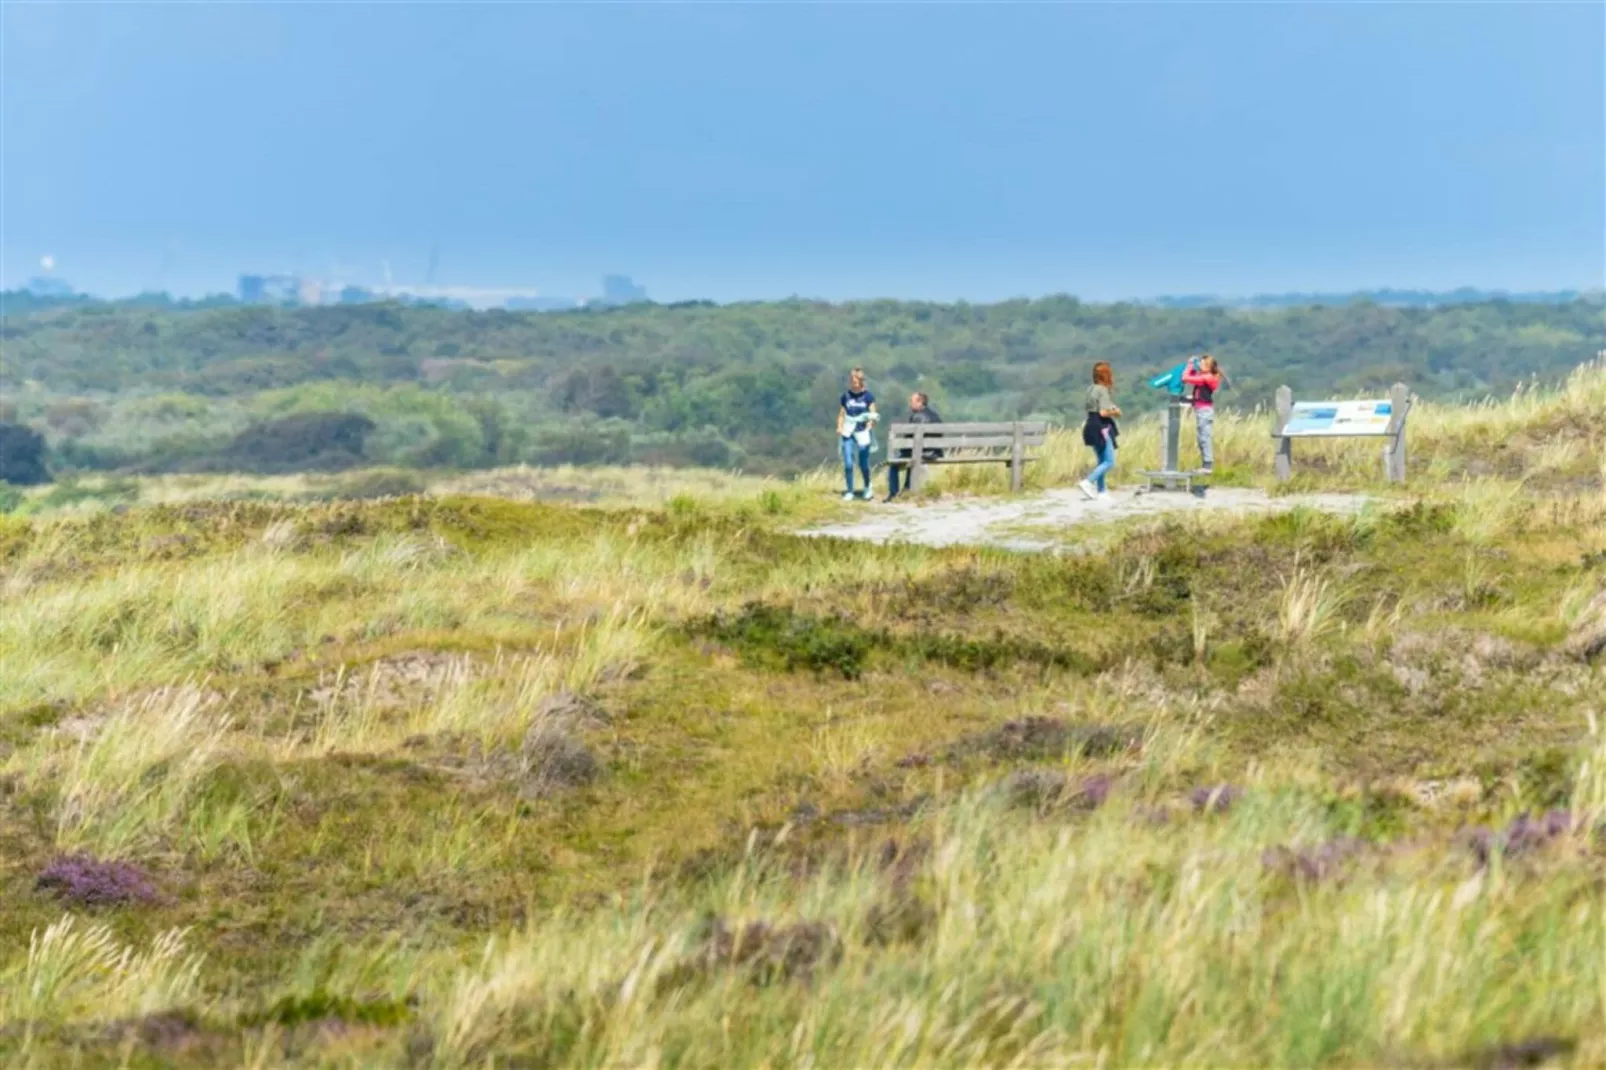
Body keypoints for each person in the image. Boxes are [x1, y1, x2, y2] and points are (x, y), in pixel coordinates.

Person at [885, 391, 943, 501]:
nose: (910, 404)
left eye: (912, 401)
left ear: (920, 402)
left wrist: (902, 452)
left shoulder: (917, 417)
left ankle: (893, 494)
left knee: (894, 465)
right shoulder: (935, 416)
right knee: (911, 459)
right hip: (934, 453)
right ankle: (906, 489)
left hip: (921, 453)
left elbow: (909, 439)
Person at [1079, 361, 1121, 501]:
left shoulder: (1091, 389)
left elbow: (1095, 407)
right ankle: (1088, 481)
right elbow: (1103, 412)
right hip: (1101, 427)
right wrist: (1115, 412)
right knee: (1109, 461)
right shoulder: (1102, 390)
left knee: (1101, 460)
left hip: (1090, 425)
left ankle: (1102, 492)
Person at [837, 367, 878, 501]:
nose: (853, 384)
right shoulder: (846, 396)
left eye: (856, 381)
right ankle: (850, 490)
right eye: (852, 381)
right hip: (848, 431)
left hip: (862, 430)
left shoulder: (867, 396)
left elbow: (873, 413)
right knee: (848, 462)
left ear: (861, 382)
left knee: (863, 461)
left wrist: (870, 423)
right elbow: (842, 413)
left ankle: (867, 486)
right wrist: (839, 426)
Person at [1181, 353, 1223, 473]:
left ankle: (1207, 465)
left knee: (1205, 437)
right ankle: (1205, 464)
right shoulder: (1205, 376)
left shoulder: (1207, 377)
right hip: (1201, 410)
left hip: (1204, 411)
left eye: (1201, 363)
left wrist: (1189, 365)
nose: (1199, 364)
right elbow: (1194, 378)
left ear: (1208, 366)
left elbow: (1186, 378)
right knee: (1201, 438)